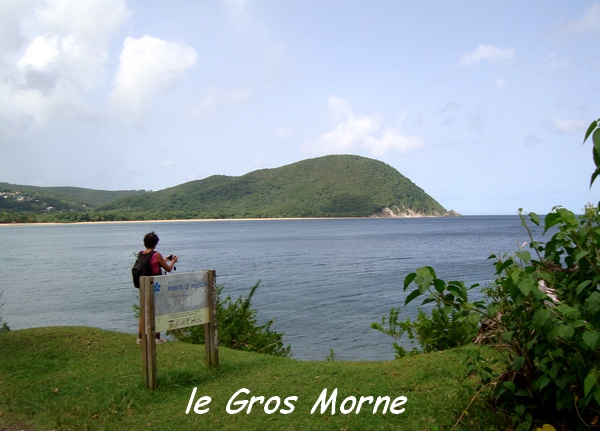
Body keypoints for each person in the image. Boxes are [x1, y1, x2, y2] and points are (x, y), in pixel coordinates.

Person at [136, 231, 178, 345]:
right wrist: (173, 261)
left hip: (143, 285)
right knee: (157, 311)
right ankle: (156, 337)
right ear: (155, 243)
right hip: (155, 287)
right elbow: (168, 269)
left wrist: (165, 259)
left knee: (144, 312)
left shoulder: (141, 254)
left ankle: (140, 337)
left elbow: (152, 263)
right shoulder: (156, 254)